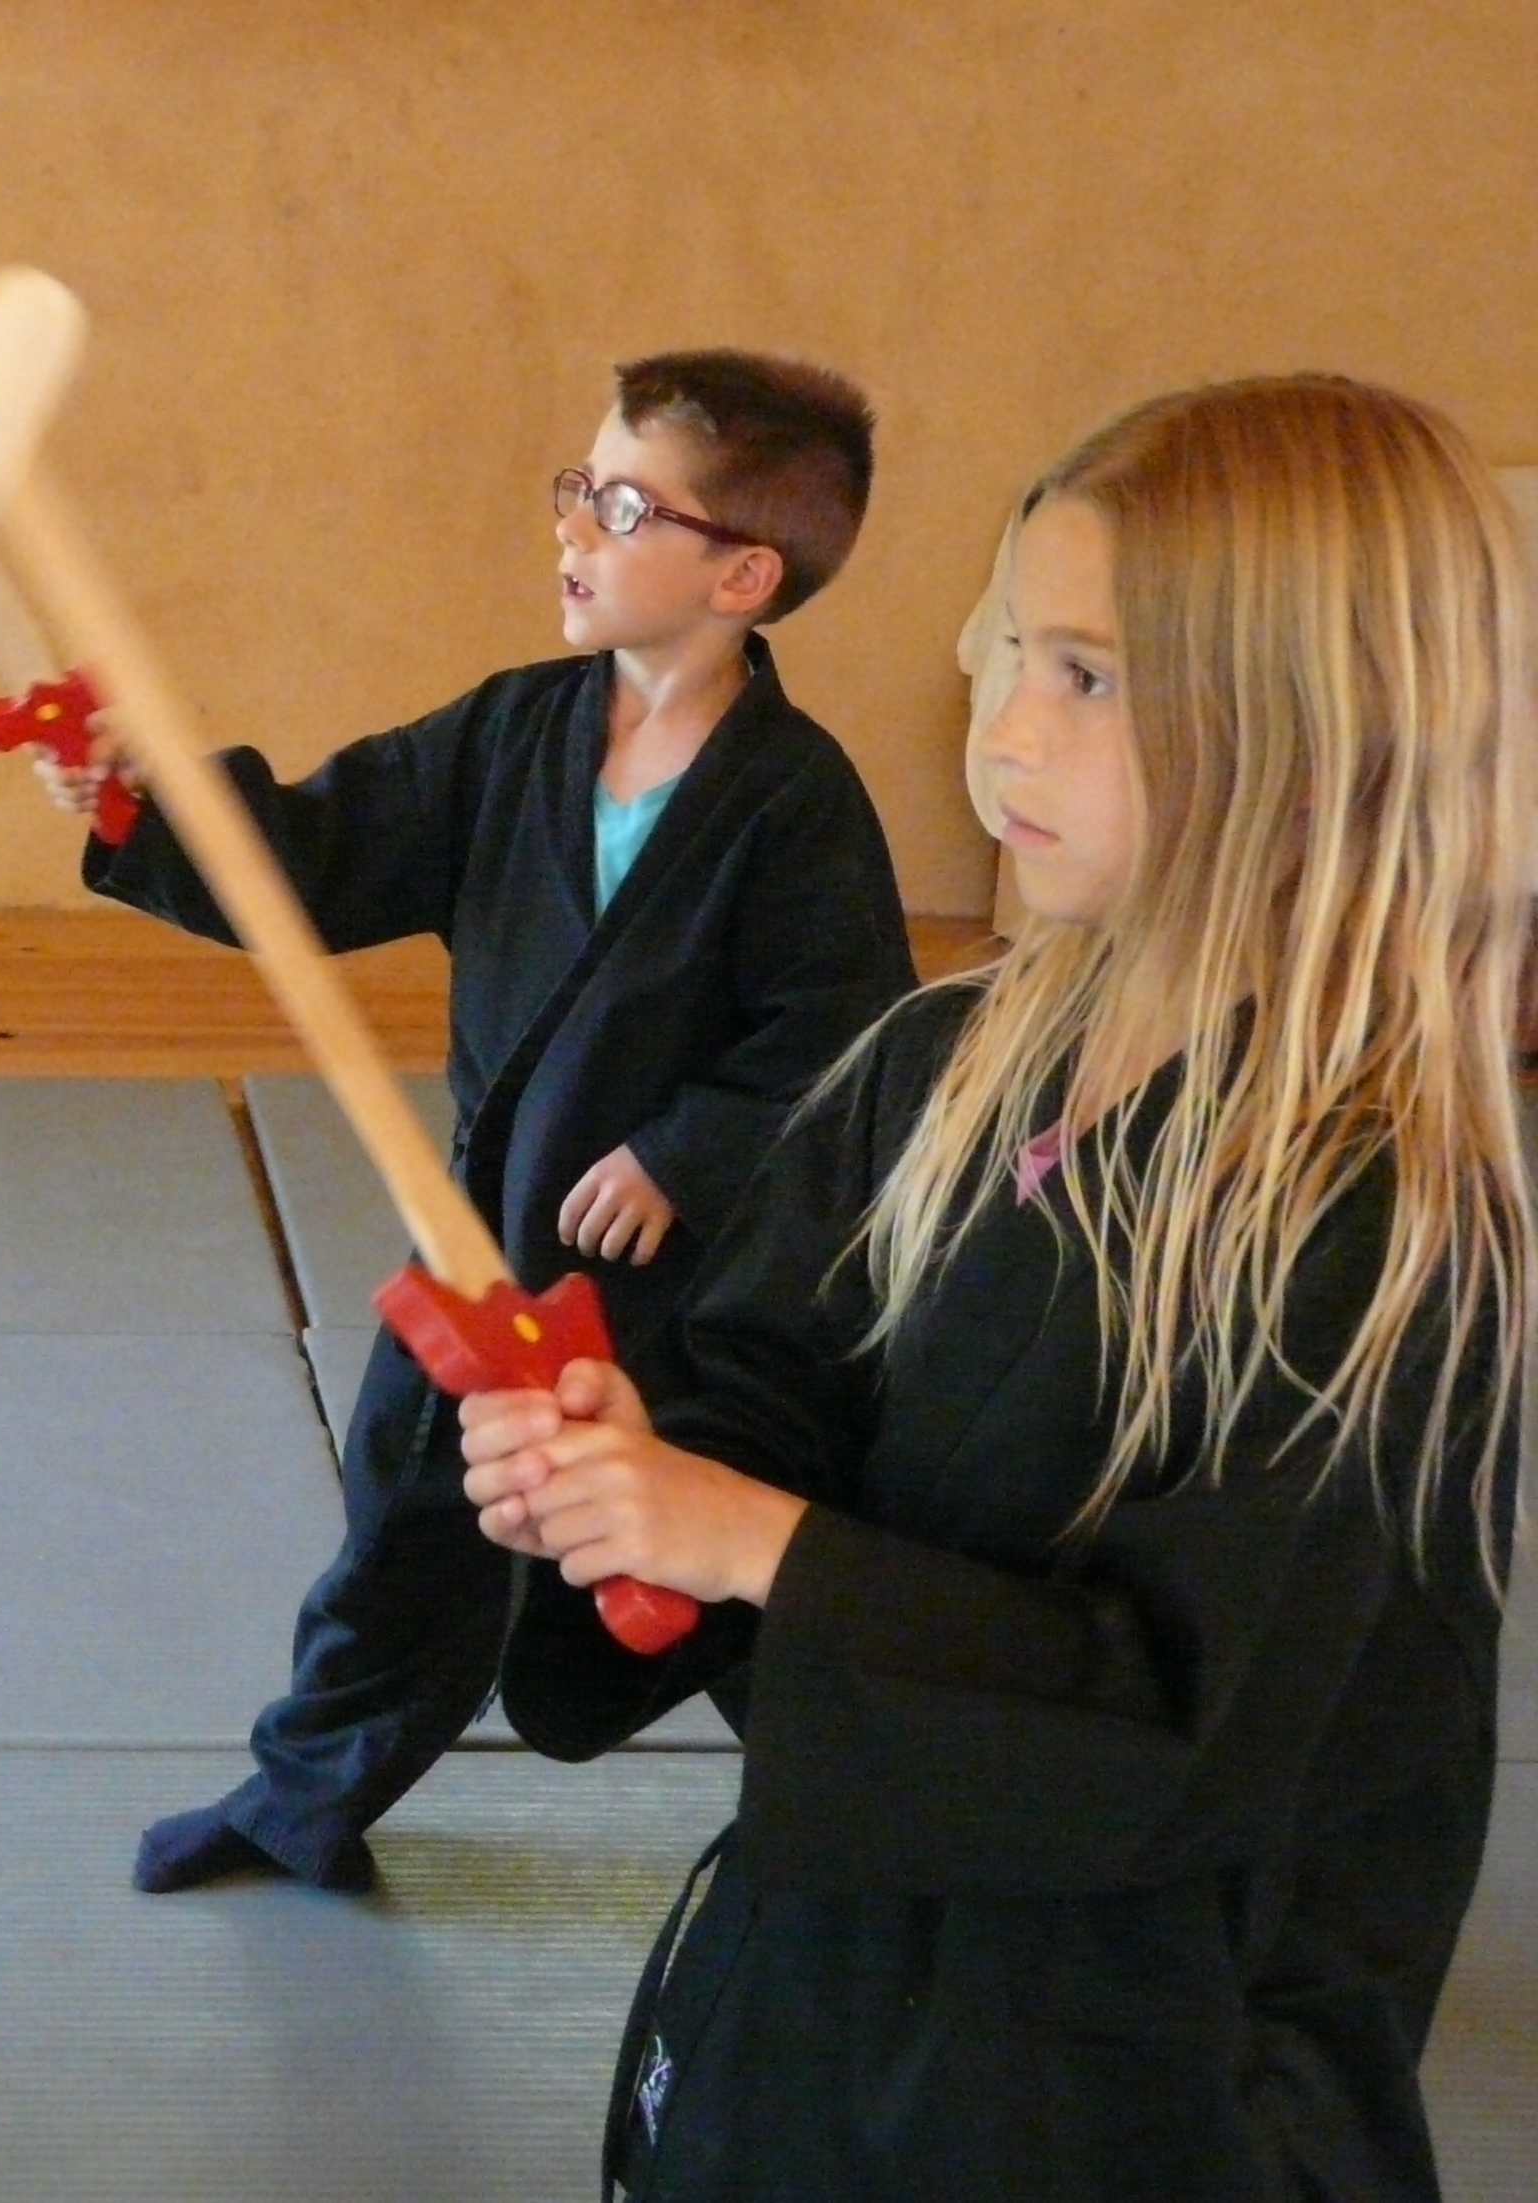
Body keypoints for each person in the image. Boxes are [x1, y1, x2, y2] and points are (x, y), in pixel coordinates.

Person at [462, 374, 1527, 2197]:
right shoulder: (938, 1069)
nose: (1004, 736)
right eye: (1015, 654)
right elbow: (766, 1396)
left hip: (1140, 2097)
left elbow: (1180, 1721)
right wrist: (624, 1474)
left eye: (1089, 679)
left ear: (1311, 723)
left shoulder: (1381, 1227)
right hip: (823, 2004)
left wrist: (755, 1542)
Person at [68, 351, 916, 1893]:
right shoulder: (516, 735)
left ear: (742, 572)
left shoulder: (795, 804)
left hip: (692, 1299)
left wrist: (688, 1149)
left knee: (709, 1581)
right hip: (489, 1251)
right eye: (577, 489)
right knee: (405, 1529)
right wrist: (148, 810)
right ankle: (303, 1798)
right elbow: (321, 853)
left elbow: (846, 1036)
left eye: (623, 505)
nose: (574, 532)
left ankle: (876, 1812)